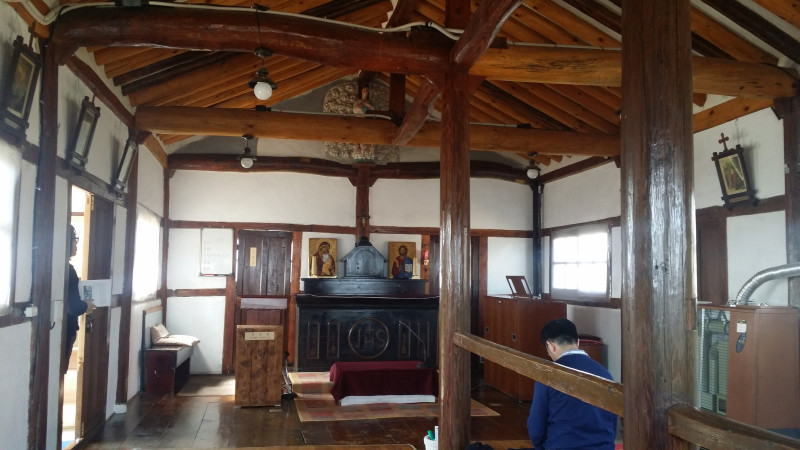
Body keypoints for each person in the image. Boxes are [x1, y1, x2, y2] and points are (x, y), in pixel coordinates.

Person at [527, 318, 617, 450]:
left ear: (551, 346)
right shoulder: (606, 374)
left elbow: (536, 429)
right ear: (578, 342)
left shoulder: (547, 376)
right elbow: (613, 424)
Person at [64, 225, 96, 374]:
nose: (76, 245)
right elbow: (74, 307)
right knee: (60, 370)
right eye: (75, 240)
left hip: (62, 328)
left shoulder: (59, 267)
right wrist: (86, 306)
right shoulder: (69, 270)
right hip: (66, 328)